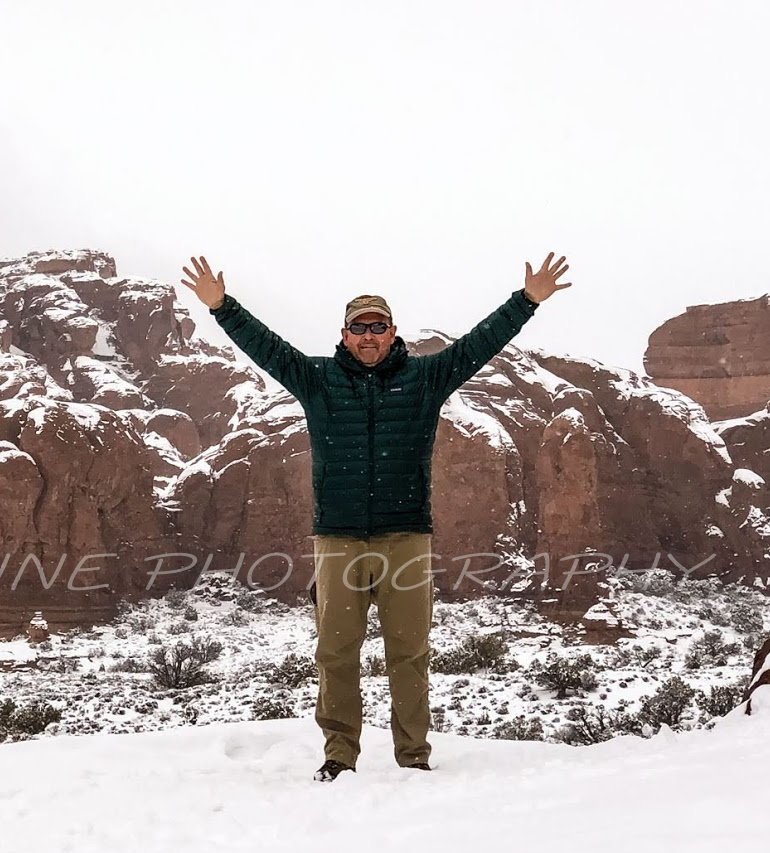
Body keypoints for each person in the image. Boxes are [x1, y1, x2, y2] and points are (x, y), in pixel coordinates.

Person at [180, 253, 571, 780]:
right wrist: (221, 307)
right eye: (359, 328)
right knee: (336, 653)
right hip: (338, 539)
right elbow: (265, 348)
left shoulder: (426, 379)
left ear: (392, 333)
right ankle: (339, 755)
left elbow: (479, 345)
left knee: (408, 654)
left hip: (406, 537)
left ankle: (413, 757)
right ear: (344, 335)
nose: (368, 336)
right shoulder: (316, 380)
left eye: (377, 327)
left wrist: (525, 302)